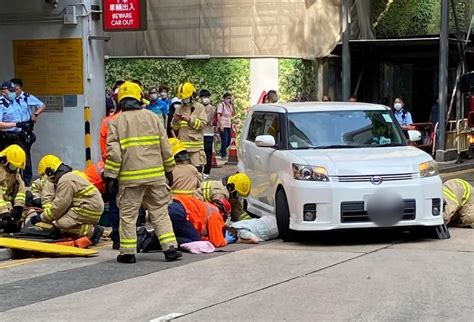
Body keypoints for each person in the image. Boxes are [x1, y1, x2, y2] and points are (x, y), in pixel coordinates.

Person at [105, 81, 181, 263]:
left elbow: (114, 153)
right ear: (140, 97)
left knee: (128, 215)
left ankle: (128, 252)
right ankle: (170, 248)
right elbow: (166, 146)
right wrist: (169, 169)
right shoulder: (153, 118)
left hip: (130, 179)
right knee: (159, 212)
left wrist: (110, 176)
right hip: (155, 177)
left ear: (120, 100)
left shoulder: (116, 122)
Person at [29, 155, 104, 244]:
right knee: (62, 221)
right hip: (90, 207)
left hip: (86, 208)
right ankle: (88, 228)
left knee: (59, 225)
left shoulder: (64, 181)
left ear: (50, 172)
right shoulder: (67, 177)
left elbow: (59, 206)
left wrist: (41, 217)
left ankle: (92, 231)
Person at [9, 78, 45, 186]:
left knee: (26, 156)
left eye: (14, 88)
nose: (12, 90)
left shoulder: (26, 97)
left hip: (24, 130)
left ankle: (27, 180)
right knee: (12, 155)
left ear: (19, 88)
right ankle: (14, 179)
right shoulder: (10, 99)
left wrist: (36, 114)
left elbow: (42, 105)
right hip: (13, 130)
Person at [170, 195, 235, 247]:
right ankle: (167, 243)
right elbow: (217, 242)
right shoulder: (216, 213)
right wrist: (226, 240)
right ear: (223, 214)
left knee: (185, 234)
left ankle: (164, 240)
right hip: (180, 211)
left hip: (173, 205)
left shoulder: (205, 208)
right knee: (197, 242)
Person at [172, 82, 207, 172]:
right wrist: (175, 121)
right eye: (183, 98)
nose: (184, 100)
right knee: (184, 173)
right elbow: (175, 128)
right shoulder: (179, 108)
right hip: (182, 148)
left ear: (192, 95)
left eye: (186, 97)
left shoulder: (199, 107)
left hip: (196, 149)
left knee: (197, 172)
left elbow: (203, 124)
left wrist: (189, 120)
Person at [0, 81, 33, 156]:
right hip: (6, 138)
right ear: (3, 92)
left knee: (22, 160)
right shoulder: (1, 104)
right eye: (11, 91)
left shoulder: (15, 101)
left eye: (14, 90)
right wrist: (16, 124)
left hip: (19, 137)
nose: (14, 92)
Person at [0, 145, 26, 233]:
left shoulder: (14, 172)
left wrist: (18, 206)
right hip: (2, 205)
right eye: (12, 166)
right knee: (4, 223)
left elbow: (21, 188)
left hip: (5, 204)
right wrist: (4, 212)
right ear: (4, 160)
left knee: (29, 196)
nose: (14, 169)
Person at [199, 89, 216, 179]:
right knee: (201, 153)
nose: (205, 99)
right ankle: (201, 171)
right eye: (203, 97)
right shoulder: (199, 107)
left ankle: (206, 172)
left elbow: (206, 120)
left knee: (207, 153)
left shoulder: (210, 108)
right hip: (200, 133)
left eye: (206, 97)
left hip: (208, 133)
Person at [216, 93, 234, 160]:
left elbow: (233, 114)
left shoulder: (229, 106)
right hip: (223, 124)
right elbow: (218, 115)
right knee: (225, 140)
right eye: (227, 98)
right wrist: (220, 126)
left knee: (229, 140)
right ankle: (223, 154)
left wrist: (233, 104)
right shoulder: (221, 105)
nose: (228, 100)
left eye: (230, 98)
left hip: (228, 124)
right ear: (224, 98)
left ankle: (222, 150)